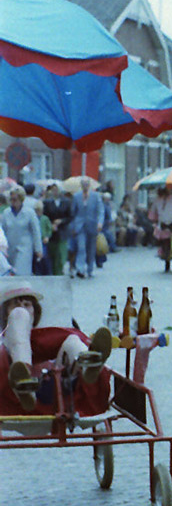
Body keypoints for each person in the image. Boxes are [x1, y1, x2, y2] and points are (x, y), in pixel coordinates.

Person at [0, 284, 112, 414]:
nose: (22, 307)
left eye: (27, 304)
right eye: (15, 305)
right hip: (10, 388)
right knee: (19, 317)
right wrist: (19, 315)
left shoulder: (50, 333)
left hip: (58, 388)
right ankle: (25, 384)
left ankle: (89, 365)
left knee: (72, 340)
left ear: (35, 311)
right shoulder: (5, 335)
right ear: (5, 314)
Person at [0, 186, 43, 275]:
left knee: (21, 272)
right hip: (10, 247)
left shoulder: (29, 213)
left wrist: (38, 249)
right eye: (11, 199)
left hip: (24, 248)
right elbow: (2, 230)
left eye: (15, 199)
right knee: (9, 273)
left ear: (21, 199)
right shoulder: (6, 213)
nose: (12, 202)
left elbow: (36, 232)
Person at [69, 177, 103, 278]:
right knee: (81, 247)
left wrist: (100, 223)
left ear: (90, 185)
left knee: (91, 248)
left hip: (92, 225)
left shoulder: (96, 196)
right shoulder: (76, 196)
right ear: (81, 185)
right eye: (83, 184)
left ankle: (90, 269)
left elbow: (100, 210)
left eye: (87, 184)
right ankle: (80, 269)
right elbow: (73, 212)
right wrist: (74, 226)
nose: (85, 186)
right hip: (80, 226)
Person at [148, 185, 172, 272]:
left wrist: (156, 219)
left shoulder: (156, 201)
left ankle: (163, 253)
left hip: (162, 225)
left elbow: (152, 215)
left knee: (161, 239)